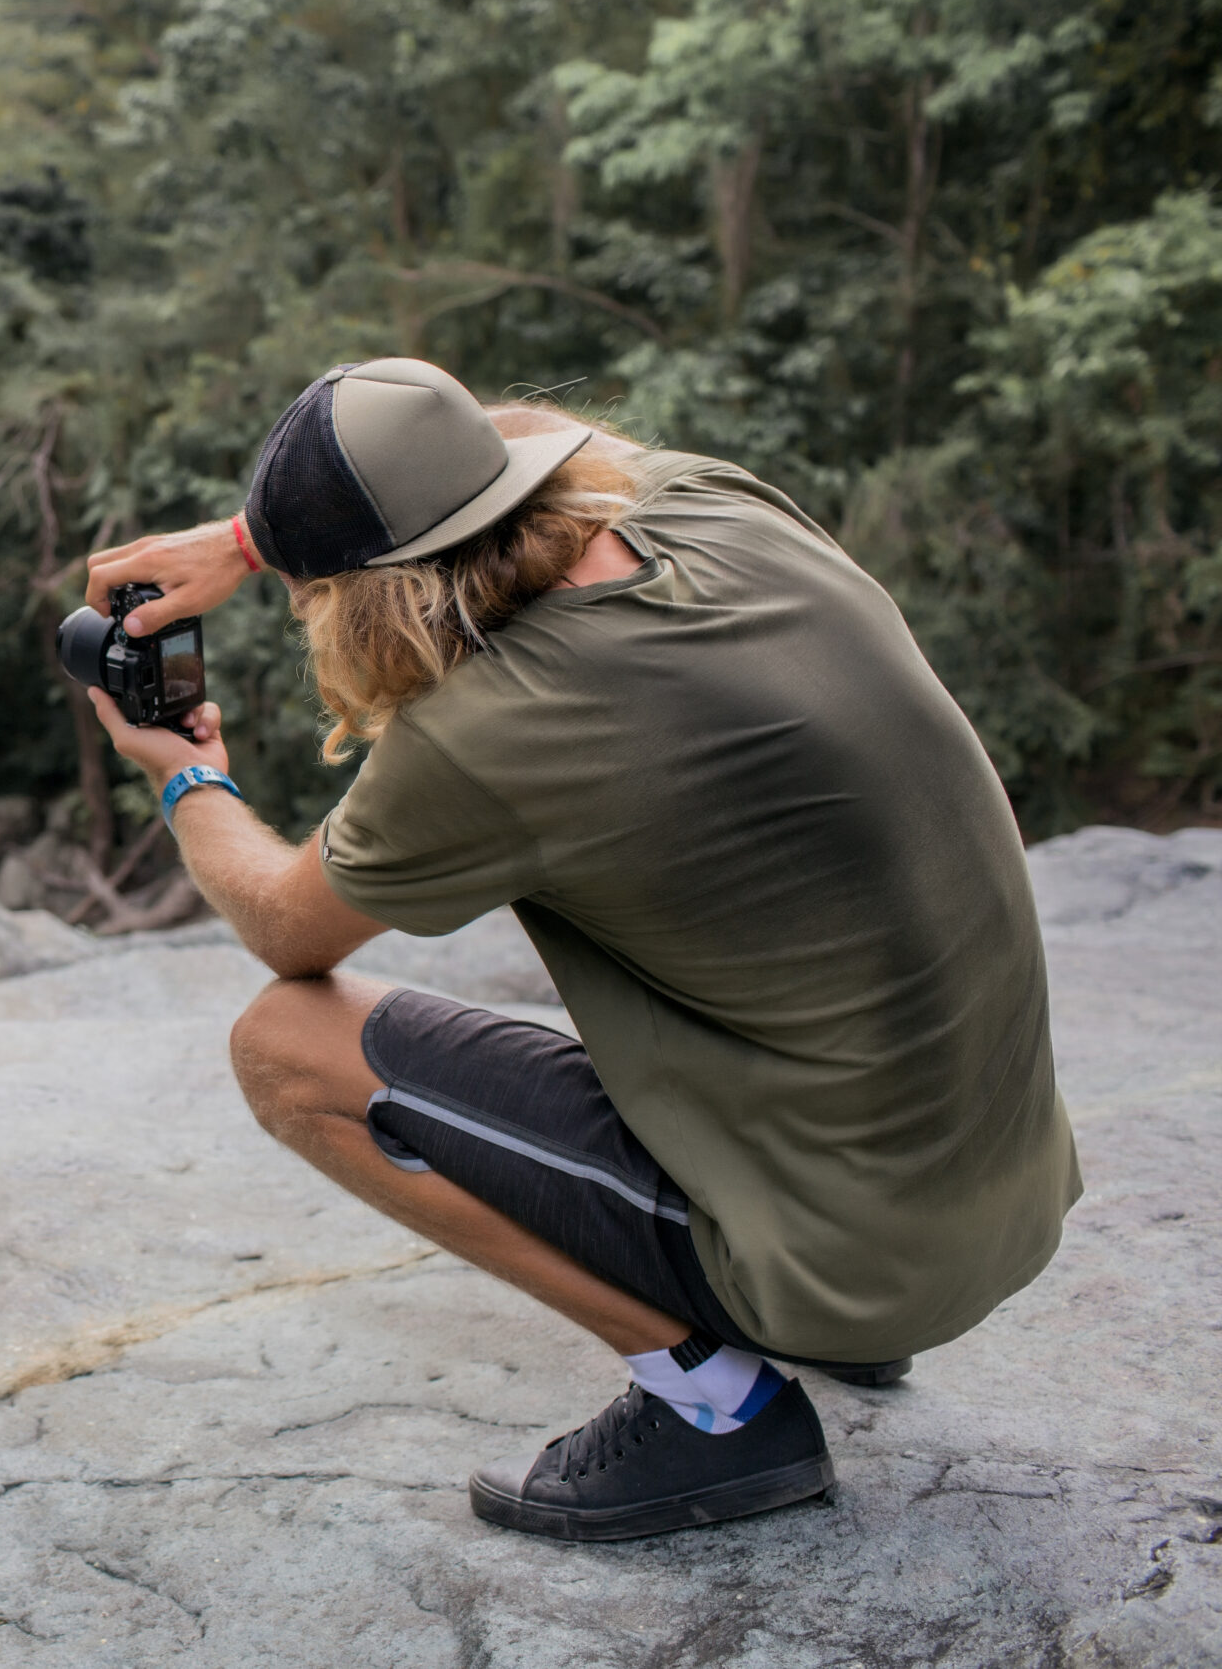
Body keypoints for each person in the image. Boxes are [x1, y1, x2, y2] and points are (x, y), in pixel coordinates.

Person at [81, 358, 1081, 1542]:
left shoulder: (490, 727)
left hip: (853, 1263)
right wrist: (252, 539)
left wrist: (185, 770)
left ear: (350, 599)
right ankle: (831, 1310)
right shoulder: (717, 510)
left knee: (287, 1050)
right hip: (1010, 1204)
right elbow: (542, 432)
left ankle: (713, 1407)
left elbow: (281, 927)